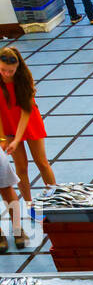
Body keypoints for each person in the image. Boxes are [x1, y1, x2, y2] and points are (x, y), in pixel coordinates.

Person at [0, 47, 55, 205]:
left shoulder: (24, 78)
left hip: (29, 121)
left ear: (17, 68)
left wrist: (17, 139)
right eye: (3, 70)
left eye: (11, 71)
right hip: (7, 123)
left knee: (41, 162)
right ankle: (29, 203)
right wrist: (3, 138)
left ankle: (54, 198)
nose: (6, 74)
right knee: (21, 167)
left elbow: (26, 111)